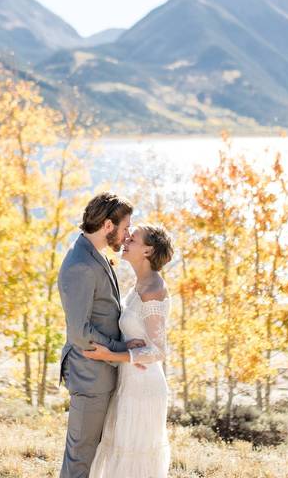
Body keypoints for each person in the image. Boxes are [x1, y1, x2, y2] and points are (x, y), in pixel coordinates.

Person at [58, 192, 145, 478]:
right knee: (80, 457)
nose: (127, 234)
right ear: (108, 225)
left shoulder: (93, 255)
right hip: (89, 373)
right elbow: (80, 332)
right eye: (124, 228)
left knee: (92, 457)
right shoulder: (80, 264)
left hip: (99, 373)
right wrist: (119, 348)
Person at [83, 223, 174, 478]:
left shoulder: (154, 290)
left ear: (148, 251)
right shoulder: (140, 285)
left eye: (133, 239)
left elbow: (158, 351)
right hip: (129, 382)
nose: (126, 241)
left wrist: (110, 355)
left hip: (144, 388)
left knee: (134, 461)